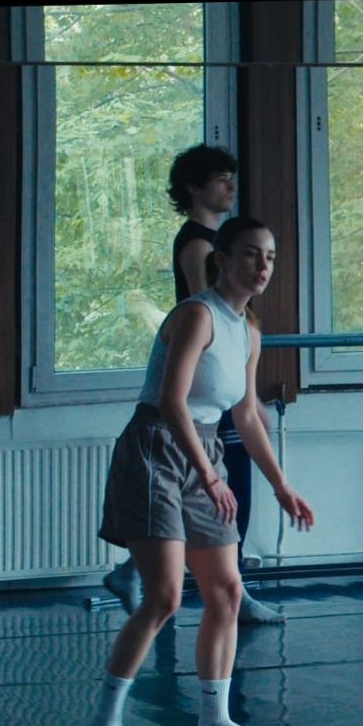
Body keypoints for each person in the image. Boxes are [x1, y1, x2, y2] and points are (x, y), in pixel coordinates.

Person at [86, 217, 315, 726]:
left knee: (227, 591)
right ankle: (105, 717)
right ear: (224, 259)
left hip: (204, 447)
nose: (262, 266)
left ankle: (215, 719)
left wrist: (281, 485)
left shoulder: (249, 331)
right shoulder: (196, 315)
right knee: (164, 596)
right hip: (156, 447)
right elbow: (172, 400)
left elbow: (247, 416)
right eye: (251, 254)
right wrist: (210, 476)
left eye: (270, 256)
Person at [102, 144, 285, 625]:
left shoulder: (214, 245)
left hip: (214, 384)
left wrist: (247, 394)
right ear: (194, 188)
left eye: (231, 177)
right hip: (198, 389)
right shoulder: (199, 247)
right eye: (221, 178)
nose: (231, 186)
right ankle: (222, 584)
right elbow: (209, 309)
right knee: (220, 490)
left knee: (218, 489)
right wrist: (237, 389)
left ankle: (214, 584)